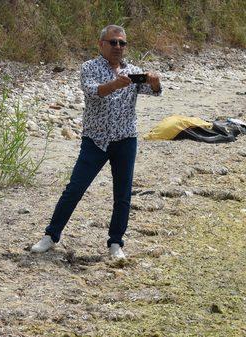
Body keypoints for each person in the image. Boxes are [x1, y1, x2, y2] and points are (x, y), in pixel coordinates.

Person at [31, 24, 161, 259]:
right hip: (96, 139)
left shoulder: (133, 70)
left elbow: (155, 92)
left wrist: (154, 81)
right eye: (113, 42)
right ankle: (51, 235)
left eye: (122, 43)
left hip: (125, 138)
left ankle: (115, 243)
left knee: (123, 194)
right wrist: (115, 84)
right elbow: (93, 92)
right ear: (101, 44)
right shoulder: (89, 67)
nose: (118, 47)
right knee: (75, 188)